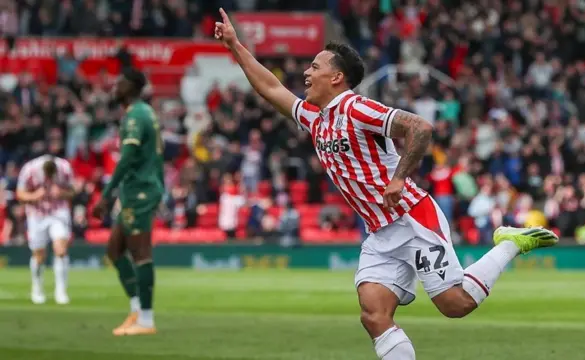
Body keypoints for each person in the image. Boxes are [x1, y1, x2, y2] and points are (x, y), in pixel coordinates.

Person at [215, 8, 559, 359]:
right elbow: (271, 87)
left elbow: (420, 128)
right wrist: (234, 45)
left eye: (315, 67)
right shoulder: (314, 117)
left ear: (337, 77)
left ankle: (510, 243)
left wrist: (398, 180)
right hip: (380, 231)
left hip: (412, 217)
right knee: (374, 314)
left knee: (455, 304)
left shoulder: (358, 109)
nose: (306, 72)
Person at [92, 68, 165, 336]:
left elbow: (127, 158)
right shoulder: (143, 112)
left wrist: (106, 195)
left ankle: (146, 320)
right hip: (139, 190)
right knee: (114, 249)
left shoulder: (135, 115)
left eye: (120, 82)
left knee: (140, 253)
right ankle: (137, 310)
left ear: (132, 87)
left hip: (140, 191)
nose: (115, 86)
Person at [16, 155, 75, 305]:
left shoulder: (65, 167)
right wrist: (34, 195)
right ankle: (37, 288)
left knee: (61, 250)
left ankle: (61, 291)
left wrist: (62, 193)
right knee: (39, 255)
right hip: (36, 214)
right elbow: (19, 194)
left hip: (58, 212)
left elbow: (73, 191)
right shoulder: (29, 169)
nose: (49, 178)